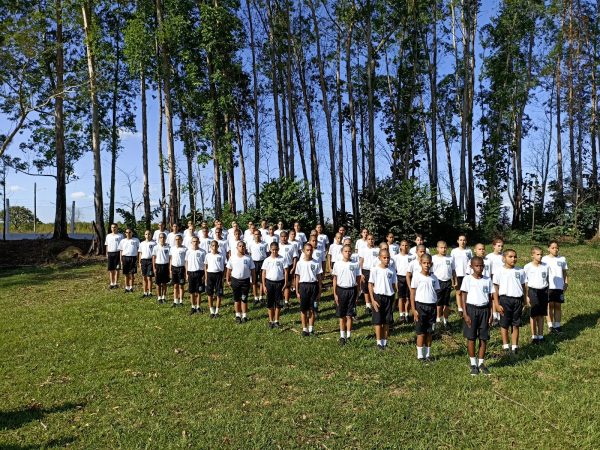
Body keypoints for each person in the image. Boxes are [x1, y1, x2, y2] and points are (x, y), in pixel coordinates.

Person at [461, 256, 493, 376]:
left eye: (481, 266)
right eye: (477, 266)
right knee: (471, 337)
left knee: (483, 338)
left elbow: (490, 298)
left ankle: (481, 363)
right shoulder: (467, 279)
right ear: (471, 267)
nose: (479, 268)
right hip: (471, 310)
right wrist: (465, 313)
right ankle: (473, 364)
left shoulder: (487, 280)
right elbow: (463, 296)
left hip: (484, 310)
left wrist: (491, 314)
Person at [493, 249, 526, 355]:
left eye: (515, 256)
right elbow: (495, 288)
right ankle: (506, 346)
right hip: (504, 300)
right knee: (504, 324)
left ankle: (515, 346)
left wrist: (525, 300)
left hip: (517, 300)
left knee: (516, 324)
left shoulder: (520, 271)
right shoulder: (499, 271)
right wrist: (497, 304)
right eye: (510, 257)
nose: (513, 259)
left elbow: (523, 286)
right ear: (504, 258)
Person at [410, 253, 440, 363]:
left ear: (431, 264)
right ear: (420, 263)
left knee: (429, 332)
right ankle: (420, 356)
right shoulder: (417, 276)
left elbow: (436, 292)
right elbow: (412, 293)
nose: (426, 265)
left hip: (431, 307)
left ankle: (427, 355)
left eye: (428, 263)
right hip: (420, 306)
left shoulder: (434, 278)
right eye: (424, 263)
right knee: (421, 332)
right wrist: (414, 309)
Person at [368, 249, 397, 350]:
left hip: (389, 297)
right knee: (378, 320)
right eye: (384, 257)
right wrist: (372, 300)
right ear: (379, 258)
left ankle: (385, 342)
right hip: (378, 297)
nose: (386, 259)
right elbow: (370, 284)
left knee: (387, 321)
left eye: (388, 257)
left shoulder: (392, 270)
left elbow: (394, 285)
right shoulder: (375, 269)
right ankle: (378, 342)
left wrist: (394, 299)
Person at [332, 244, 361, 345]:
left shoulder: (355, 264)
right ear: (342, 252)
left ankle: (348, 336)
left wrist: (357, 293)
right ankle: (342, 336)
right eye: (345, 251)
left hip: (352, 290)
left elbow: (358, 279)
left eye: (349, 251)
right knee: (342, 315)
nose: (348, 253)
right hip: (341, 290)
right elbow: (334, 279)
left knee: (349, 315)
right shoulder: (337, 264)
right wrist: (335, 293)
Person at [295, 243, 323, 336]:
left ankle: (311, 329)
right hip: (303, 286)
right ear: (303, 251)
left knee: (312, 309)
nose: (309, 252)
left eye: (311, 250)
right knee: (303, 309)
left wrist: (319, 290)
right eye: (307, 250)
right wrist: (297, 291)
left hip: (314, 286)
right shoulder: (299, 263)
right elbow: (297, 277)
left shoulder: (316, 262)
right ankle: (304, 329)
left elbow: (319, 278)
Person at [524, 246, 550, 344]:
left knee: (541, 314)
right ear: (532, 255)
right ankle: (534, 336)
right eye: (538, 254)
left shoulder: (546, 266)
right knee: (534, 314)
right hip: (533, 291)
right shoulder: (527, 267)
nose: (540, 256)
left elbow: (547, 279)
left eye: (541, 254)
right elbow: (525, 283)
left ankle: (541, 335)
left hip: (543, 290)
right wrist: (527, 295)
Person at [543, 241, 569, 333]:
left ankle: (557, 325)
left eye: (557, 248)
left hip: (559, 286)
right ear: (548, 249)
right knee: (549, 306)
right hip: (548, 286)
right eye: (553, 248)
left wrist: (566, 283)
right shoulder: (544, 259)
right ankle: (550, 325)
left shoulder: (562, 259)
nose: (555, 249)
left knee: (558, 306)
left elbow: (564, 272)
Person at [226, 241, 255, 323]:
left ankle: (244, 316)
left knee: (244, 299)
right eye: (240, 246)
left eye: (243, 246)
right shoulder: (232, 257)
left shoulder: (248, 258)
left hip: (245, 281)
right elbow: (228, 269)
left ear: (245, 247)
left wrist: (253, 280)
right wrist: (228, 279)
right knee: (236, 299)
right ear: (237, 248)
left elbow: (252, 270)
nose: (242, 247)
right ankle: (238, 315)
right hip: (235, 280)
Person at [261, 242, 288, 328]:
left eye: (276, 250)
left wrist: (285, 283)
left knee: (278, 303)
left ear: (278, 249)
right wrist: (264, 285)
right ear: (270, 250)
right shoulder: (267, 260)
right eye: (273, 250)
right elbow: (263, 273)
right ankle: (271, 321)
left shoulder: (282, 259)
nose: (274, 251)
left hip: (279, 283)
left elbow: (286, 271)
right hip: (269, 283)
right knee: (270, 303)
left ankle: (276, 321)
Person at [431, 241, 457, 329]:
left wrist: (454, 280)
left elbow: (453, 270)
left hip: (448, 282)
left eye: (445, 247)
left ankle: (446, 320)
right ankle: (438, 319)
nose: (443, 249)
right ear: (437, 248)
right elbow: (430, 272)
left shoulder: (450, 258)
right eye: (441, 247)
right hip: (438, 282)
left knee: (446, 302)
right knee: (438, 302)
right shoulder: (433, 258)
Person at [451, 235, 472, 315]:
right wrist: (453, 275)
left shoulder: (469, 251)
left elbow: (471, 262)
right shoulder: (454, 251)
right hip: (458, 274)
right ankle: (460, 308)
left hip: (467, 274)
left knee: (466, 291)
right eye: (461, 240)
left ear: (466, 241)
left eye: (464, 240)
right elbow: (452, 264)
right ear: (458, 241)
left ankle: (466, 306)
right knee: (458, 291)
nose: (462, 242)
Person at [392, 240, 412, 323]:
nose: (404, 247)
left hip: (409, 278)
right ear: (400, 246)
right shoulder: (396, 257)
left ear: (408, 246)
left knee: (408, 297)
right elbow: (394, 270)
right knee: (401, 297)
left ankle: (407, 313)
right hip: (400, 278)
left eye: (406, 245)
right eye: (403, 245)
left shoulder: (412, 256)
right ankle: (401, 314)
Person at [186, 236, 206, 315]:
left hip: (199, 273)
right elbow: (186, 262)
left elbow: (205, 264)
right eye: (193, 241)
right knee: (192, 291)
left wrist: (204, 274)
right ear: (191, 242)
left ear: (199, 242)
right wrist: (187, 273)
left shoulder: (202, 252)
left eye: (196, 241)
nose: (195, 243)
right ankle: (193, 307)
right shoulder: (188, 251)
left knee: (199, 291)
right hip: (191, 273)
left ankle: (198, 307)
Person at [205, 240, 225, 318]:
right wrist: (206, 276)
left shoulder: (221, 255)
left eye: (216, 245)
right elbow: (206, 266)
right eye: (213, 245)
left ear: (218, 246)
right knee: (210, 293)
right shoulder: (208, 255)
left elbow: (224, 267)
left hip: (219, 275)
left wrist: (223, 277)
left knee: (219, 294)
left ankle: (217, 311)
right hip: (210, 275)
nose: (214, 247)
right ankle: (211, 311)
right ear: (210, 247)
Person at [359, 234, 378, 313]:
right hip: (365, 270)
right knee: (365, 288)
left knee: (374, 288)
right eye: (369, 239)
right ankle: (368, 305)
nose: (371, 241)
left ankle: (374, 303)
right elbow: (361, 261)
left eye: (372, 239)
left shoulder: (377, 250)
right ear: (366, 240)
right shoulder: (363, 250)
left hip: (374, 271)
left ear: (374, 240)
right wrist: (361, 273)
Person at [248, 229, 268, 305]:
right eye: (255, 234)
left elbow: (267, 254)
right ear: (253, 235)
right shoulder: (250, 243)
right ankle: (255, 297)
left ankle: (261, 297)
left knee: (262, 280)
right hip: (254, 263)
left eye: (258, 234)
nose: (257, 236)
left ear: (260, 235)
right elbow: (249, 254)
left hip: (262, 262)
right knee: (254, 280)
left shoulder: (265, 244)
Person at [488, 238, 505, 325]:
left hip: (503, 279)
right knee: (494, 297)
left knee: (501, 296)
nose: (500, 248)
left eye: (502, 246)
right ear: (494, 246)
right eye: (498, 246)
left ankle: (500, 314)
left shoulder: (504, 256)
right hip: (493, 279)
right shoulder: (489, 257)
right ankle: (494, 315)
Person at [279, 231, 298, 309]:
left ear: (287, 237)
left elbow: (295, 257)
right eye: (282, 236)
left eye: (285, 236)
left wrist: (293, 267)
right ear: (280, 237)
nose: (284, 238)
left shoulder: (292, 246)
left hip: (289, 267)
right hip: (279, 268)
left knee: (287, 285)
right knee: (280, 285)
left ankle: (286, 302)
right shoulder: (277, 246)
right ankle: (280, 301)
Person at [119, 228, 140, 293]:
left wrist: (138, 259)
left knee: (132, 274)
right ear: (125, 233)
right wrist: (121, 260)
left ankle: (131, 287)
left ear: (132, 233)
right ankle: (127, 287)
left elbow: (139, 251)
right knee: (126, 274)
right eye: (127, 232)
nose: (128, 233)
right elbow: (121, 251)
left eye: (130, 232)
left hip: (133, 258)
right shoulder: (122, 241)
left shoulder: (136, 240)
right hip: (125, 258)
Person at [169, 235, 187, 307]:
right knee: (175, 285)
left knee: (181, 285)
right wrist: (170, 268)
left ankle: (181, 301)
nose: (177, 241)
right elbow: (171, 259)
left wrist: (186, 270)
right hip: (174, 268)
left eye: (179, 239)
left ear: (181, 240)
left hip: (181, 268)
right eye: (176, 239)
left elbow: (186, 261)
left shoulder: (185, 249)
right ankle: (175, 301)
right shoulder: (172, 248)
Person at [152, 232, 170, 304]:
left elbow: (170, 258)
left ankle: (164, 297)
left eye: (163, 237)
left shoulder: (168, 247)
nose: (162, 239)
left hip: (165, 266)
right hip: (158, 266)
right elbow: (153, 258)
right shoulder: (156, 247)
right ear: (159, 238)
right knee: (158, 283)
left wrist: (169, 267)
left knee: (165, 283)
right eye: (161, 237)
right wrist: (154, 268)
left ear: (165, 238)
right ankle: (159, 297)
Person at [138, 230, 156, 298]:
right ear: (144, 235)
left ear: (151, 235)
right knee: (144, 277)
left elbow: (155, 254)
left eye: (149, 234)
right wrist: (139, 262)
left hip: (150, 261)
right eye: (146, 234)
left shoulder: (154, 243)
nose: (147, 235)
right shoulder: (142, 243)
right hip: (143, 261)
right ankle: (145, 293)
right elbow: (140, 253)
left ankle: (150, 292)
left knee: (149, 277)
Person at [105, 223, 123, 289]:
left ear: (117, 228)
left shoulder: (120, 236)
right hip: (110, 253)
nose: (113, 228)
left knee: (117, 269)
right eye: (112, 227)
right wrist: (106, 253)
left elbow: (122, 246)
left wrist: (122, 254)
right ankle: (111, 283)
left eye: (115, 227)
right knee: (111, 269)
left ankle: (115, 283)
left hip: (118, 253)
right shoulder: (108, 236)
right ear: (111, 228)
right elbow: (106, 245)